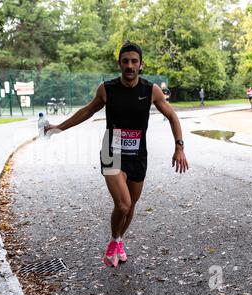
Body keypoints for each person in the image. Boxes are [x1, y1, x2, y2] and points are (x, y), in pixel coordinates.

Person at [45, 41, 189, 267]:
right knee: (122, 204)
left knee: (131, 206)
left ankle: (119, 240)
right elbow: (86, 111)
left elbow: (172, 116)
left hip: (138, 155)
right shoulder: (107, 89)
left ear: (141, 65)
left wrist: (179, 147)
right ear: (119, 64)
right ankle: (114, 240)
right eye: (125, 61)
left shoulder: (151, 90)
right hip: (112, 152)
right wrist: (58, 127)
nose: (129, 66)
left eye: (134, 61)